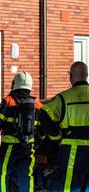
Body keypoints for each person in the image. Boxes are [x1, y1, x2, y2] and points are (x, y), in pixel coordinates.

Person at [0, 71, 42, 192]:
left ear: (15, 84)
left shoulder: (8, 101)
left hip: (9, 148)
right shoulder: (37, 104)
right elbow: (41, 128)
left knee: (3, 175)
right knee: (27, 176)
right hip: (28, 147)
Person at [40, 61, 89, 191]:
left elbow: (44, 113)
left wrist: (56, 137)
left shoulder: (63, 98)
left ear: (71, 76)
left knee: (69, 185)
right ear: (87, 75)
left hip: (72, 151)